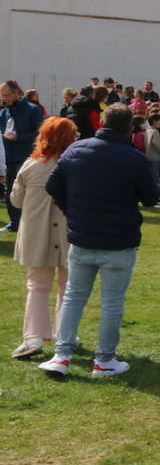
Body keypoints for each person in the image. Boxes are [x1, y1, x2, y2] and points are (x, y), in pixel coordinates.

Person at [36, 104, 159, 377]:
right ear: (129, 128)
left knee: (74, 297)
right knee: (110, 301)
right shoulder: (134, 158)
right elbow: (151, 197)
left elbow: (53, 185)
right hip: (117, 241)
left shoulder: (77, 150)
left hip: (85, 237)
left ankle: (62, 355)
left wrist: (73, 210)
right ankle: (102, 360)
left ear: (103, 121)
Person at [9, 117, 77, 359]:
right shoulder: (74, 166)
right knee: (67, 287)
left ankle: (34, 337)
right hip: (69, 234)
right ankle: (65, 334)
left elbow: (16, 201)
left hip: (35, 234)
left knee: (38, 286)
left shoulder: (30, 166)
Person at [2, 79, 44, 233]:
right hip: (8, 157)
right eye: (1, 96)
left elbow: (39, 133)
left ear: (15, 93)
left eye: (5, 95)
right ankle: (14, 223)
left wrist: (18, 137)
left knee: (26, 193)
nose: (3, 99)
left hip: (26, 156)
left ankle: (27, 223)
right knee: (10, 192)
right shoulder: (4, 112)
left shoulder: (33, 110)